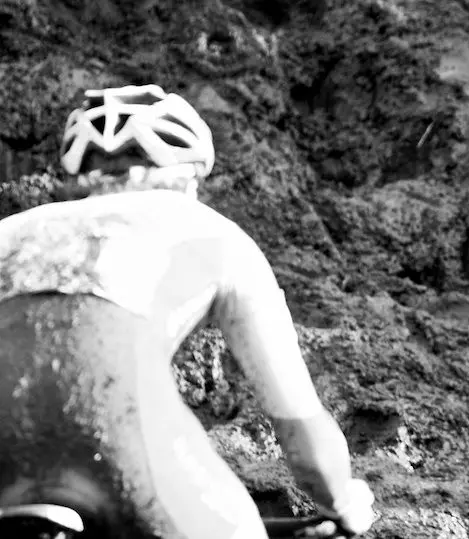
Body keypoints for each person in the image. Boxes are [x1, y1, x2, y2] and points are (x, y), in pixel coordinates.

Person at [0, 85, 375, 538]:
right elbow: (302, 433)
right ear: (187, 178)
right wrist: (340, 500)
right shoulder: (211, 231)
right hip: (112, 421)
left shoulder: (12, 230)